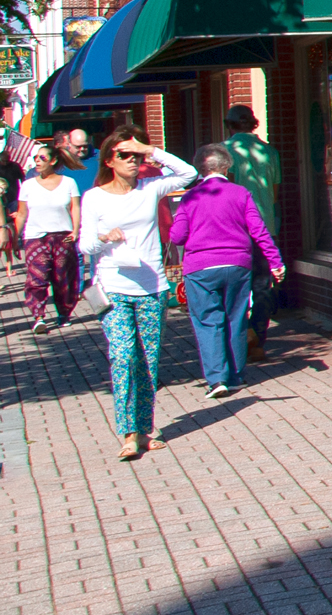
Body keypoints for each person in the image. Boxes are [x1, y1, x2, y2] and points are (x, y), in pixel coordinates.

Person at [78, 125, 200, 460]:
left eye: (135, 155)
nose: (132, 161)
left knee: (147, 361)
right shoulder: (95, 197)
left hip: (152, 288)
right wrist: (105, 237)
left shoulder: (150, 188)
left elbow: (188, 174)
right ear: (109, 160)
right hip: (113, 288)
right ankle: (127, 432)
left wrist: (150, 150)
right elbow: (84, 245)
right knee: (123, 355)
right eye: (125, 155)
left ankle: (144, 429)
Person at [167, 143, 287, 399]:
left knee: (208, 321)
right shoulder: (240, 193)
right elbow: (259, 230)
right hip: (237, 264)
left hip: (200, 267)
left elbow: (177, 236)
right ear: (228, 166)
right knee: (236, 318)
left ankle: (216, 379)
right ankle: (235, 376)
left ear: (200, 168)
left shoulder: (191, 197)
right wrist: (275, 262)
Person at [223, 105, 283, 361]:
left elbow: (226, 191)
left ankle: (241, 336)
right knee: (262, 287)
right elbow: (275, 192)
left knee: (235, 288)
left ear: (230, 126)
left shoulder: (225, 152)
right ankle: (258, 338)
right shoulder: (269, 151)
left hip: (236, 230)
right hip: (265, 227)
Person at [20, 144, 81, 331]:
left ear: (53, 161)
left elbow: (75, 207)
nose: (37, 161)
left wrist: (76, 230)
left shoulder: (69, 182)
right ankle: (39, 316)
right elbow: (22, 213)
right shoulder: (28, 185)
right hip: (35, 237)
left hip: (63, 237)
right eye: (36, 158)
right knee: (37, 278)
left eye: (42, 158)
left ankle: (64, 313)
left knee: (63, 278)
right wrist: (16, 236)